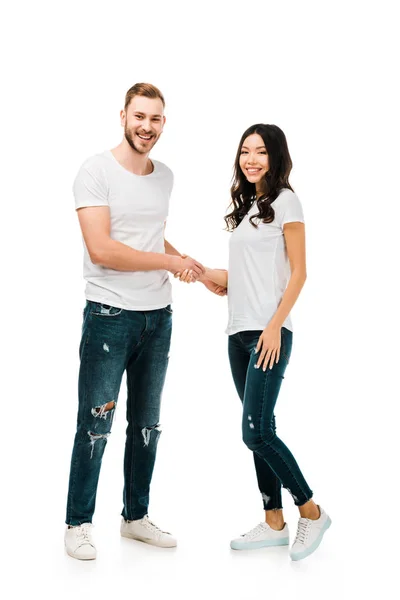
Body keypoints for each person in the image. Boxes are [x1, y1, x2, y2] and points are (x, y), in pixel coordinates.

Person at [65, 82, 222, 560]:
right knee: (96, 423)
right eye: (139, 117)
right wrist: (168, 265)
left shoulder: (165, 175)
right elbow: (103, 249)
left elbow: (152, 237)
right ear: (122, 116)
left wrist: (187, 262)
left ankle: (135, 517)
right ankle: (78, 523)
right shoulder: (95, 170)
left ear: (163, 123)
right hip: (110, 315)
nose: (146, 127)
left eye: (155, 119)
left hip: (158, 317)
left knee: (147, 424)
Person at [176, 124, 331, 561]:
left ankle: (312, 511)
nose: (251, 159)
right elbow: (240, 279)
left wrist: (273, 325)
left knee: (256, 431)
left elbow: (299, 272)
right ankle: (273, 521)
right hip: (237, 333)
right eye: (245, 151)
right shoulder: (250, 209)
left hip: (269, 333)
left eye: (260, 152)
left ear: (276, 156)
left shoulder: (287, 201)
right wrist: (201, 272)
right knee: (261, 430)